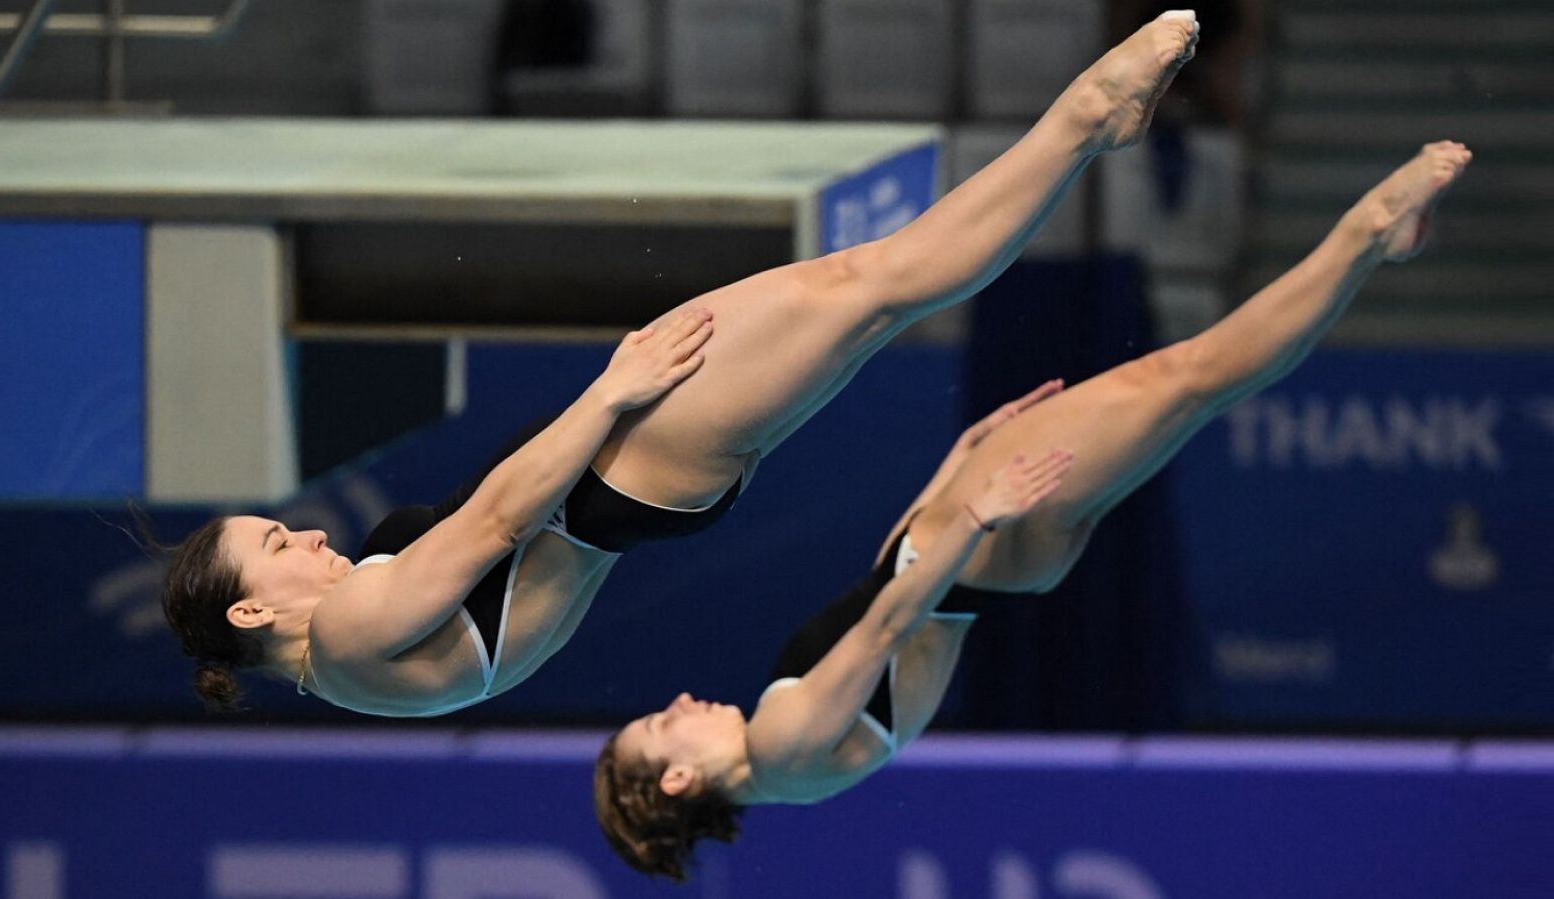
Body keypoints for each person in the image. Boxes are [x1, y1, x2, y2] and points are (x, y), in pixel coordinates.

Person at [160, 11, 1204, 715]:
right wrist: (610, 392)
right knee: (877, 282)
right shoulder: (344, 633)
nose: (307, 532)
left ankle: (1086, 127)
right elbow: (494, 524)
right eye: (276, 542)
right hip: (623, 468)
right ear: (251, 611)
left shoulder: (353, 675)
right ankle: (1087, 116)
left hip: (637, 493)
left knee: (877, 296)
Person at [594, 141, 1473, 880]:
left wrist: (955, 469)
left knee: (1195, 390)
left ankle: (1372, 245)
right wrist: (977, 511)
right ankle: (1368, 230)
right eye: (662, 725)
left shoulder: (790, 764)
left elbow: (884, 593)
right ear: (677, 779)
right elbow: (892, 622)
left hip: (980, 553)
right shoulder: (781, 744)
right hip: (983, 546)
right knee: (1188, 376)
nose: (678, 701)